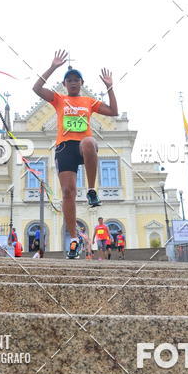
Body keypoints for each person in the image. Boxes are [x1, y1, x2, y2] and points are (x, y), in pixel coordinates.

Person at [32, 50, 118, 259]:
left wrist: (109, 87)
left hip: (82, 146)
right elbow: (36, 88)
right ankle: (73, 239)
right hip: (64, 147)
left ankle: (90, 190)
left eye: (76, 80)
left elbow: (114, 111)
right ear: (65, 84)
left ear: (81, 83)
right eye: (69, 80)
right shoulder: (59, 99)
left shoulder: (88, 102)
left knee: (89, 141)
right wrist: (53, 66)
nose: (73, 83)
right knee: (68, 192)